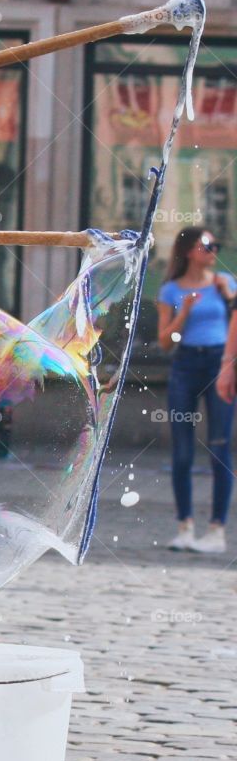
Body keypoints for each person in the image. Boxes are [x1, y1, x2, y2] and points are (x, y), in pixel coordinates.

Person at [157, 227, 236, 553]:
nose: (213, 249)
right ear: (189, 250)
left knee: (220, 447)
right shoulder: (171, 290)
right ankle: (185, 526)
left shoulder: (224, 284)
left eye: (215, 244)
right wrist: (185, 312)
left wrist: (228, 294)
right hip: (186, 365)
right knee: (183, 451)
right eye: (207, 244)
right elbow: (165, 342)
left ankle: (217, 529)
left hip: (219, 363)